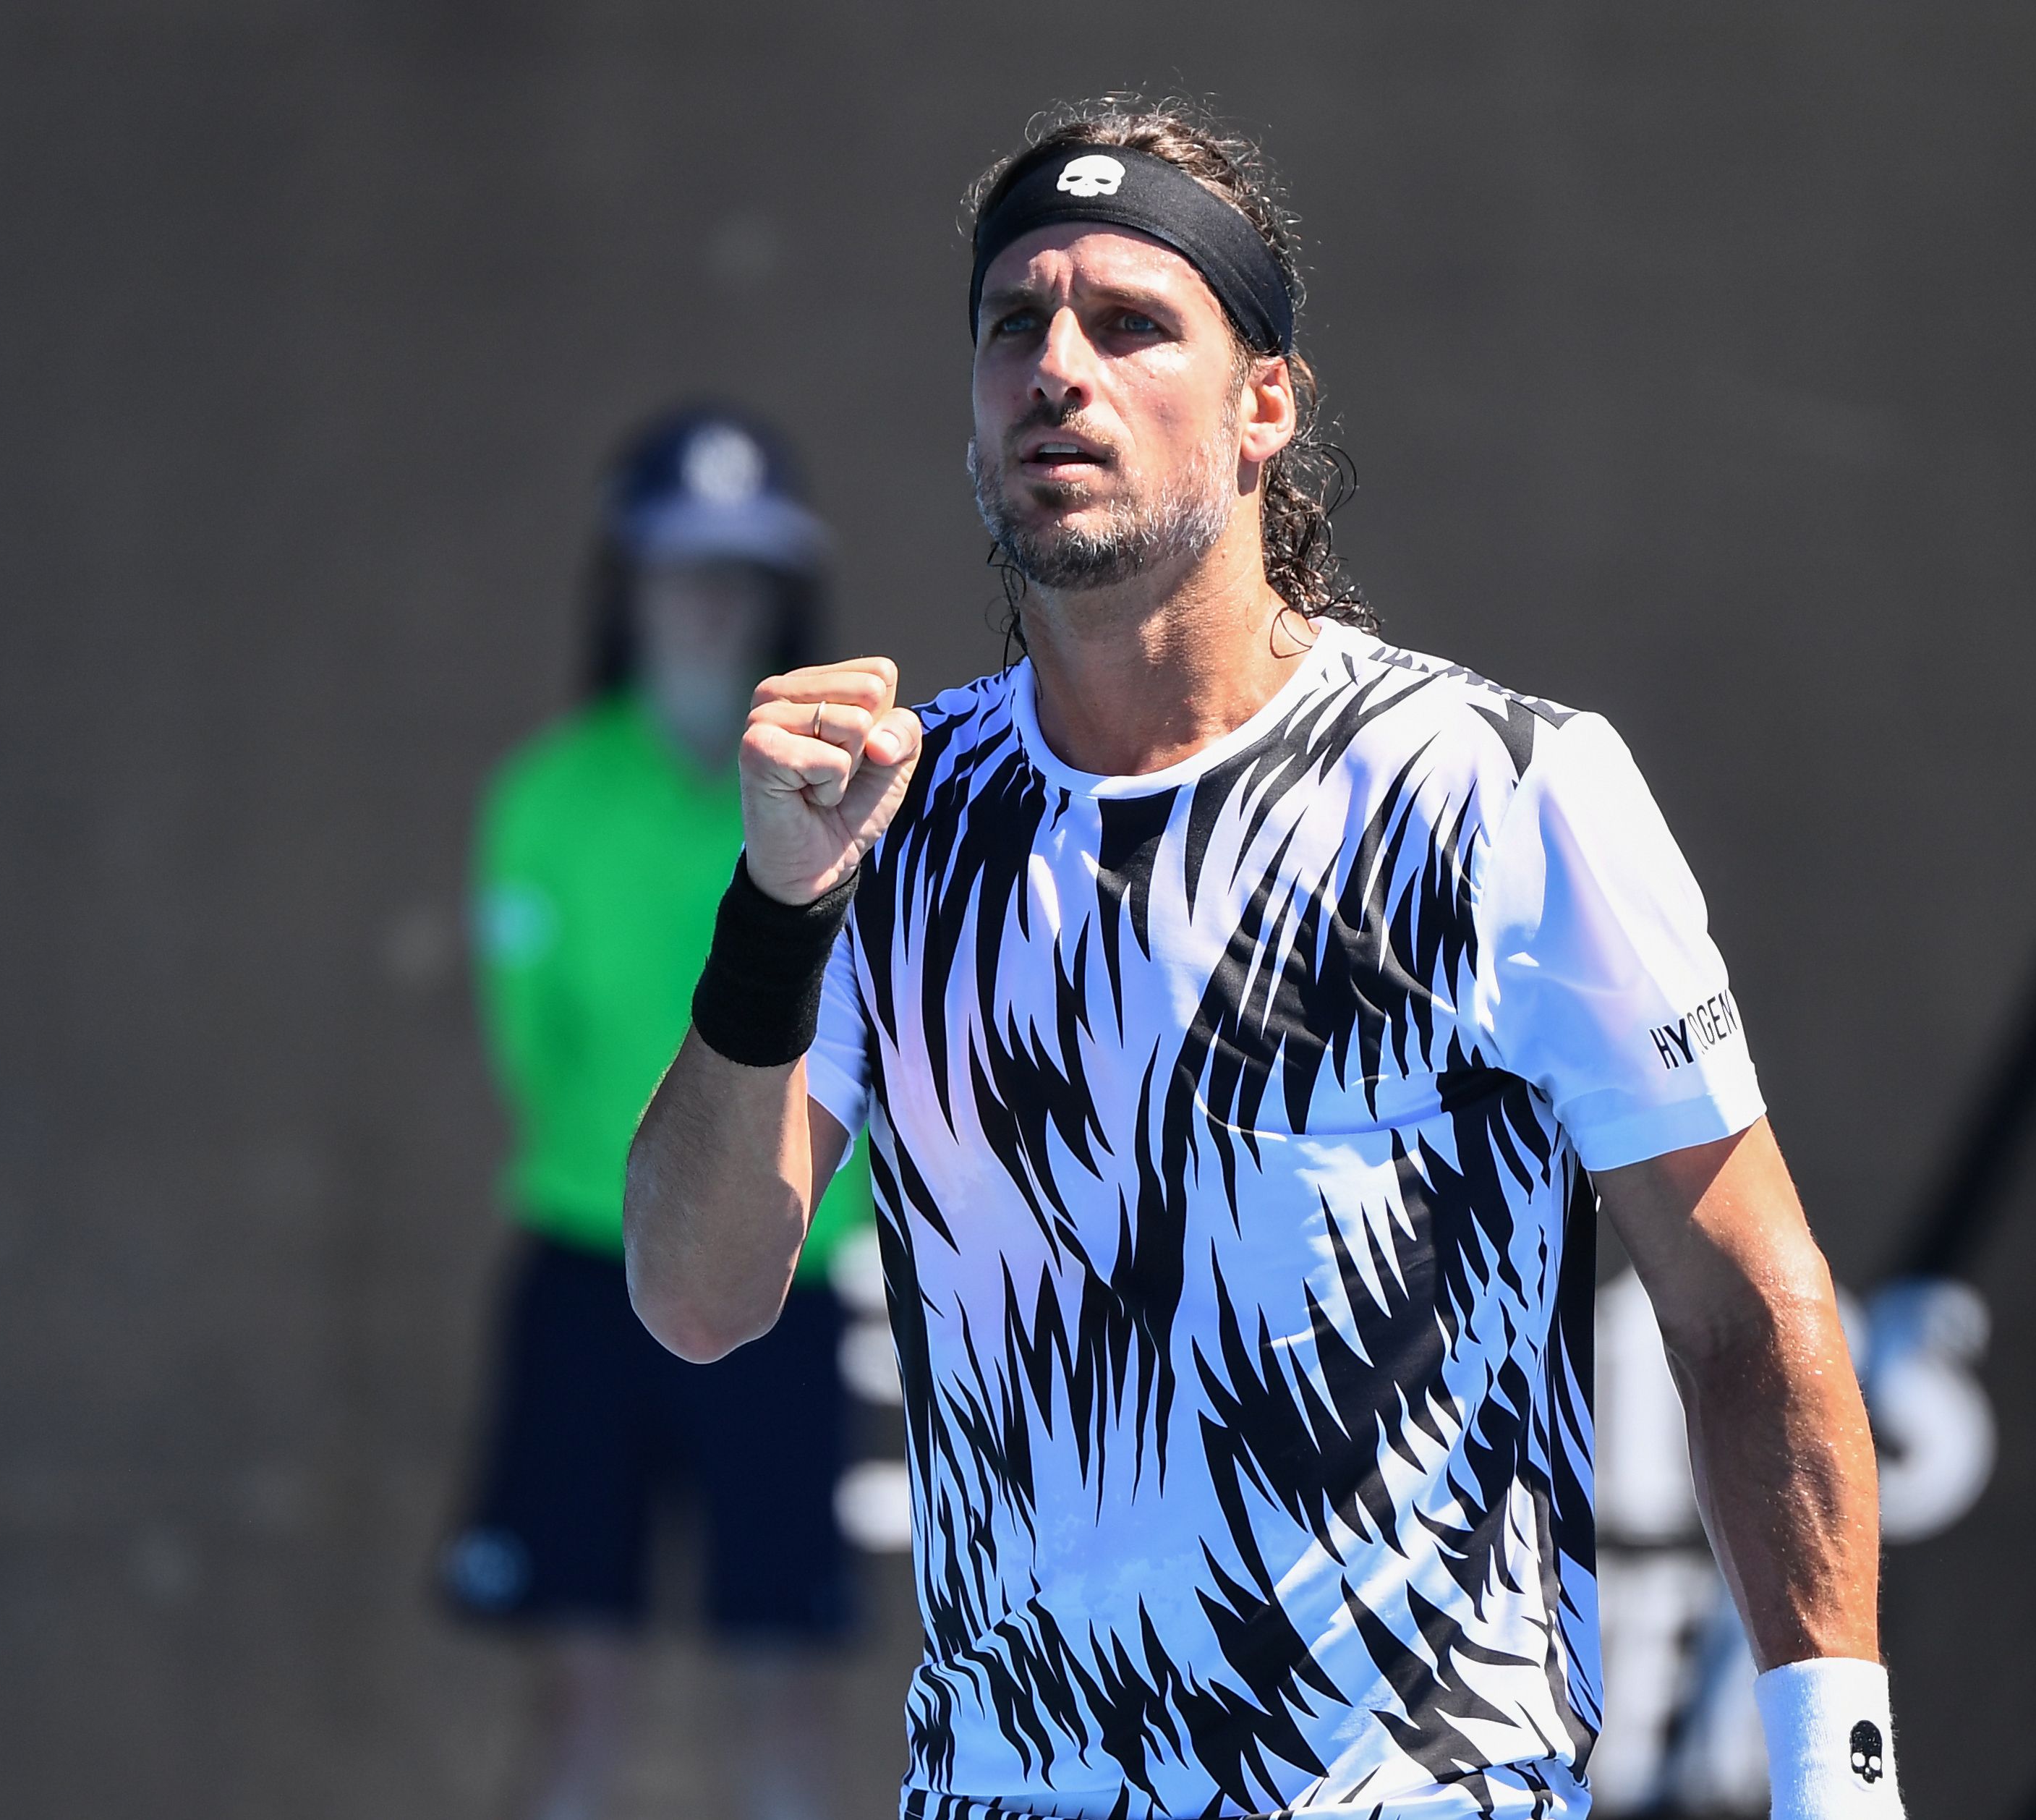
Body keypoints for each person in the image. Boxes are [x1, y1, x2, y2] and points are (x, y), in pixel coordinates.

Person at [628, 98, 1907, 1820]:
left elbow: (1751, 1311)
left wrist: (1848, 1787)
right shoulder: (889, 828)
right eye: (1017, 322)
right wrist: (777, 912)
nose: (1057, 365)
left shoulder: (1506, 791)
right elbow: (699, 1296)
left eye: (1132, 321)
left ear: (1264, 409)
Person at [442, 404, 874, 1820]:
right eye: (681, 567)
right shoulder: (545, 803)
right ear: (626, 584)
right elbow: (539, 1061)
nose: (709, 602)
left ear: (782, 593)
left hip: (794, 1288)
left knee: (788, 1699)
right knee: (576, 1697)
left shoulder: (851, 806)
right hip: (585, 1276)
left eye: (740, 572)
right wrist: (651, 1201)